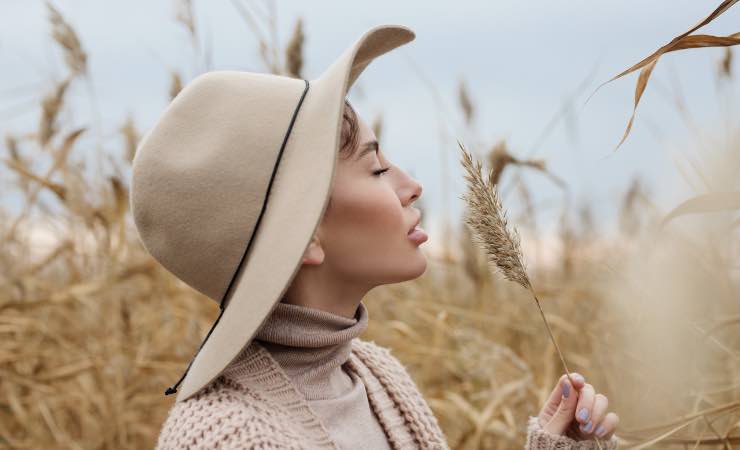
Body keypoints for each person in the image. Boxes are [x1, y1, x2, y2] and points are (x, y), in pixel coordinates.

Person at [129, 24, 620, 449]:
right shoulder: (226, 437)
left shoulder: (375, 375)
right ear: (305, 236)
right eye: (378, 168)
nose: (411, 186)